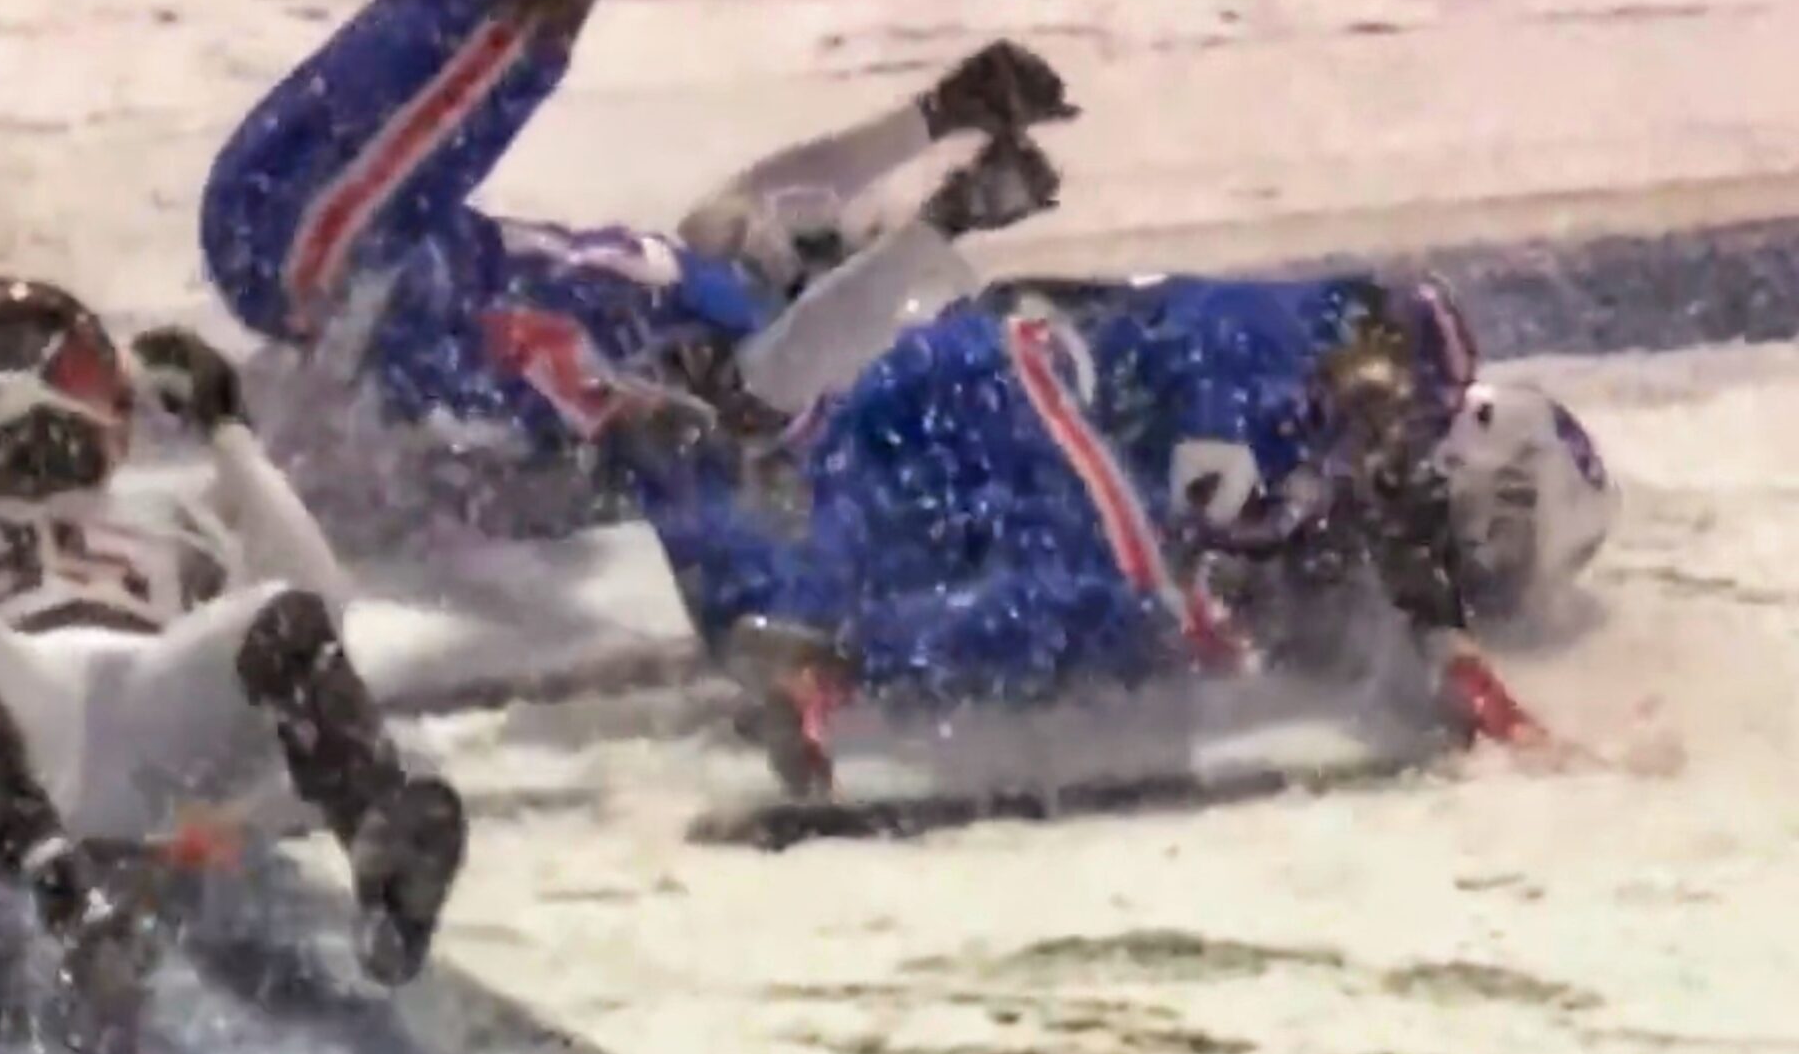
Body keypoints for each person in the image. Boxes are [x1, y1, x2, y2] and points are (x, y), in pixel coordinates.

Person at [208, 0, 1076, 481]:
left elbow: (800, 352)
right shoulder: (708, 273)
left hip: (321, 258)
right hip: (311, 214)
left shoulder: (753, 388)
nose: (798, 219)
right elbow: (771, 195)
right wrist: (935, 117)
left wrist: (948, 220)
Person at [604, 179, 1620, 797]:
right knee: (1142, 608)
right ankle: (838, 665)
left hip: (951, 414)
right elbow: (1212, 492)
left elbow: (1393, 539)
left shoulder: (1350, 412)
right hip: (1004, 383)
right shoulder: (1275, 342)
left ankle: (681, 484)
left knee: (894, 588)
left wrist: (1474, 680)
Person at [0, 278, 466, 1054]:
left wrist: (229, 434)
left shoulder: (171, 515)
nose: (117, 395)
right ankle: (65, 894)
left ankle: (378, 851)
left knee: (283, 617)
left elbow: (322, 606)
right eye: (86, 371)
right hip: (19, 720)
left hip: (157, 723)